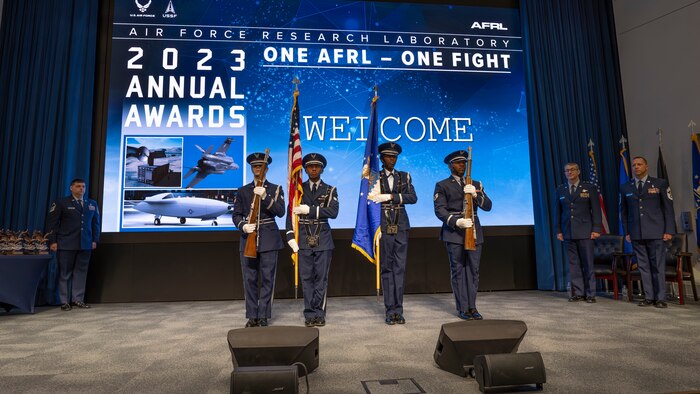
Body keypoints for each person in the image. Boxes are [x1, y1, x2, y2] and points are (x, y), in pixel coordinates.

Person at [433, 150, 492, 320]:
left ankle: (473, 306)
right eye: (458, 163)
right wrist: (455, 221)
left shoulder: (476, 184)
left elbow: (488, 206)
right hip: (454, 232)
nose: (462, 165)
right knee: (458, 271)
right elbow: (440, 210)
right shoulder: (442, 185)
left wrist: (475, 194)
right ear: (450, 165)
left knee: (473, 271)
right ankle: (462, 308)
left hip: (474, 231)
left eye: (464, 162)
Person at [286, 153, 339, 327]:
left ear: (322, 169)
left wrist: (310, 210)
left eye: (317, 166)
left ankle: (319, 313)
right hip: (303, 238)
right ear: (305, 169)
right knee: (306, 278)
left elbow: (333, 212)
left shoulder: (330, 190)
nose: (313, 169)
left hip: (322, 237)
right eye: (310, 166)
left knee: (321, 278)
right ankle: (309, 314)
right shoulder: (298, 190)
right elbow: (291, 212)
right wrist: (290, 236)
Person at [233, 152, 285, 327]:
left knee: (268, 279)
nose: (258, 168)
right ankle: (252, 315)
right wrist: (243, 226)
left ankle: (263, 315)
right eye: (255, 166)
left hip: (269, 238)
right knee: (249, 279)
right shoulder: (242, 191)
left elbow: (280, 211)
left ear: (267, 169)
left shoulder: (275, 189)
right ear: (251, 169)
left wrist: (265, 197)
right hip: (248, 237)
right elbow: (236, 215)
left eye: (261, 166)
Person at [368, 142, 417, 325]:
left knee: (400, 268)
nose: (392, 159)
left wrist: (391, 197)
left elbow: (413, 198)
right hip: (383, 226)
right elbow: (367, 203)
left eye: (394, 157)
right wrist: (375, 228)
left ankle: (399, 309)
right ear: (381, 158)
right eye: (389, 156)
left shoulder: (404, 176)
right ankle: (390, 310)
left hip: (401, 225)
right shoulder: (374, 177)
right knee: (386, 268)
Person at [620, 156, 675, 308]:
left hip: (656, 231)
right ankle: (649, 297)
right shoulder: (626, 187)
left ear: (646, 166)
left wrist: (669, 230)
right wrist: (627, 232)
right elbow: (623, 212)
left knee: (657, 265)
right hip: (636, 232)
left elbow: (668, 209)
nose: (636, 167)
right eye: (633, 165)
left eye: (639, 164)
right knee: (643, 266)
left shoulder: (660, 183)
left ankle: (660, 298)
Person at [47, 178, 100, 311]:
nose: (81, 189)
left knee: (81, 272)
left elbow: (95, 224)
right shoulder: (61, 202)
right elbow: (52, 223)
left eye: (83, 186)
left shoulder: (91, 203)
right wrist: (52, 241)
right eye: (78, 186)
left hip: (85, 243)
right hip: (66, 243)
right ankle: (64, 301)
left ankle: (78, 299)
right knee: (65, 273)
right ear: (71, 188)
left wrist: (94, 240)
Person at [555, 163, 602, 303]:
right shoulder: (561, 189)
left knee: (588, 264)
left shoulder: (589, 188)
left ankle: (590, 294)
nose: (569, 172)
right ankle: (579, 293)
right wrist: (558, 230)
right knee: (573, 265)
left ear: (578, 171)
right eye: (567, 171)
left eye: (572, 170)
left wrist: (596, 229)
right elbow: (557, 212)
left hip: (586, 232)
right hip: (568, 232)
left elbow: (596, 210)